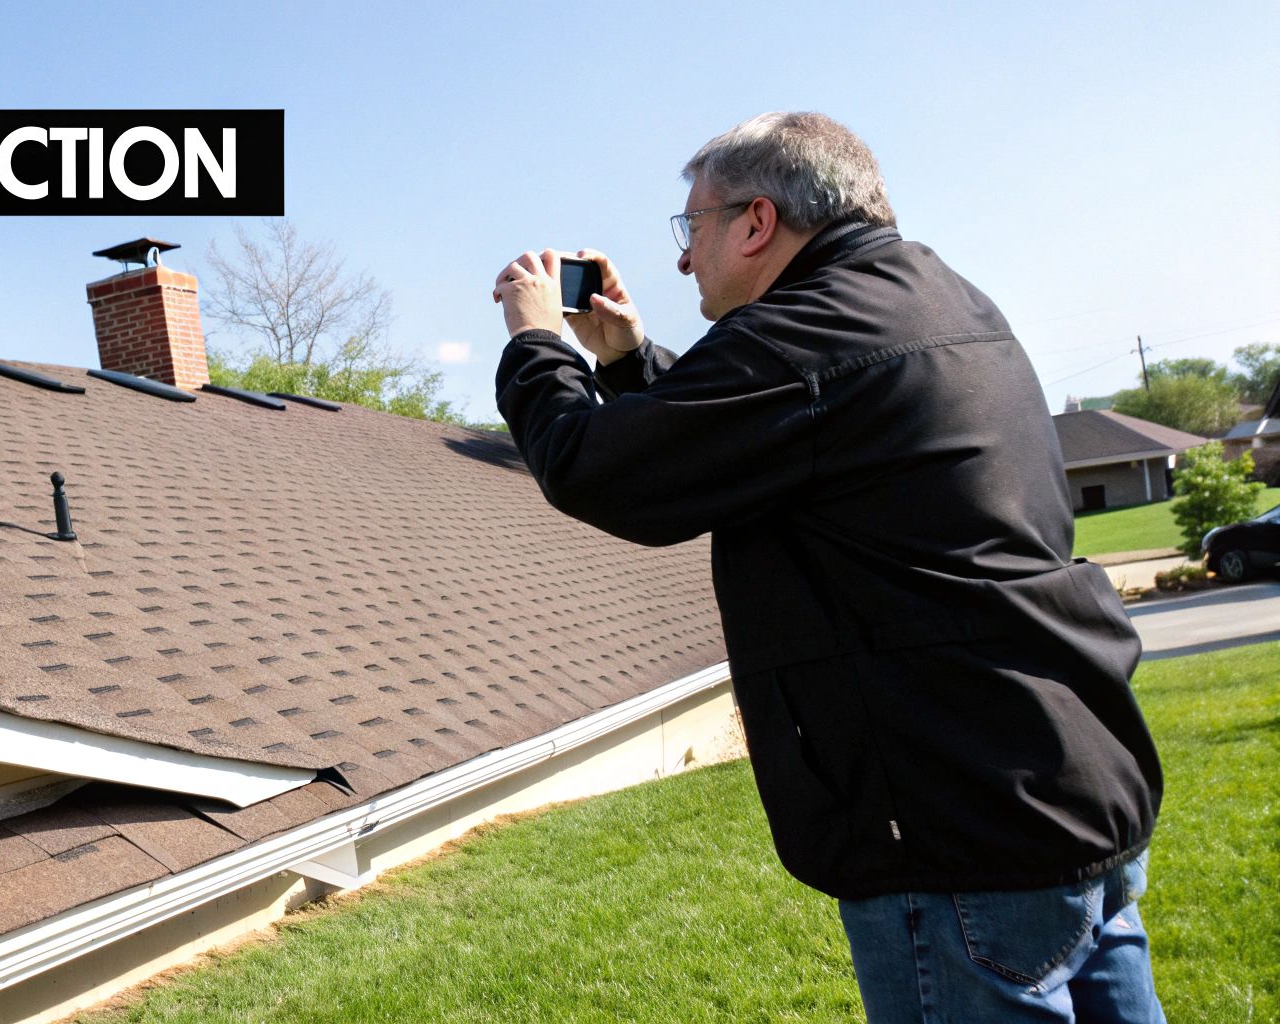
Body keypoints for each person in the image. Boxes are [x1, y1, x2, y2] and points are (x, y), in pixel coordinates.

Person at [490, 112, 1164, 1023]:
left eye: (693, 229)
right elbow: (769, 427)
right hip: (1064, 786)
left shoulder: (805, 334)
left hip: (956, 827)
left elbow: (596, 469)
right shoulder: (937, 300)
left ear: (757, 222)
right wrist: (626, 359)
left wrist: (536, 342)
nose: (685, 260)